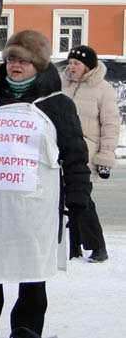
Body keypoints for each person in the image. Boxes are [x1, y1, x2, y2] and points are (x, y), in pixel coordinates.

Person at [0, 30, 92, 338]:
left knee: (32, 280)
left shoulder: (57, 104)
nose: (15, 66)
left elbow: (75, 156)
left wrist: (79, 199)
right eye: (11, 59)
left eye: (22, 60)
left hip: (34, 214)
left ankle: (26, 331)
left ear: (38, 64)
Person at [61, 45, 120, 262]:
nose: (72, 67)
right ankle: (74, 247)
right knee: (68, 198)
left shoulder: (103, 89)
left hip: (87, 152)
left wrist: (105, 158)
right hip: (62, 150)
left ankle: (98, 247)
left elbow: (111, 125)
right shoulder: (62, 85)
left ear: (88, 66)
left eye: (76, 63)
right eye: (70, 63)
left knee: (82, 199)